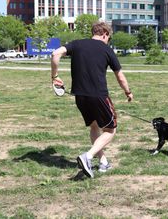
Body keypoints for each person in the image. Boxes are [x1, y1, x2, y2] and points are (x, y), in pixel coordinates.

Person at [51, 21, 133, 178]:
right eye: (109, 38)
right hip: (99, 96)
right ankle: (87, 157)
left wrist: (54, 76)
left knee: (94, 127)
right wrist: (128, 92)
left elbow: (55, 54)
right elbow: (120, 77)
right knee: (110, 130)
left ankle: (103, 162)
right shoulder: (107, 50)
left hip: (80, 96)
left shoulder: (77, 44)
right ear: (105, 34)